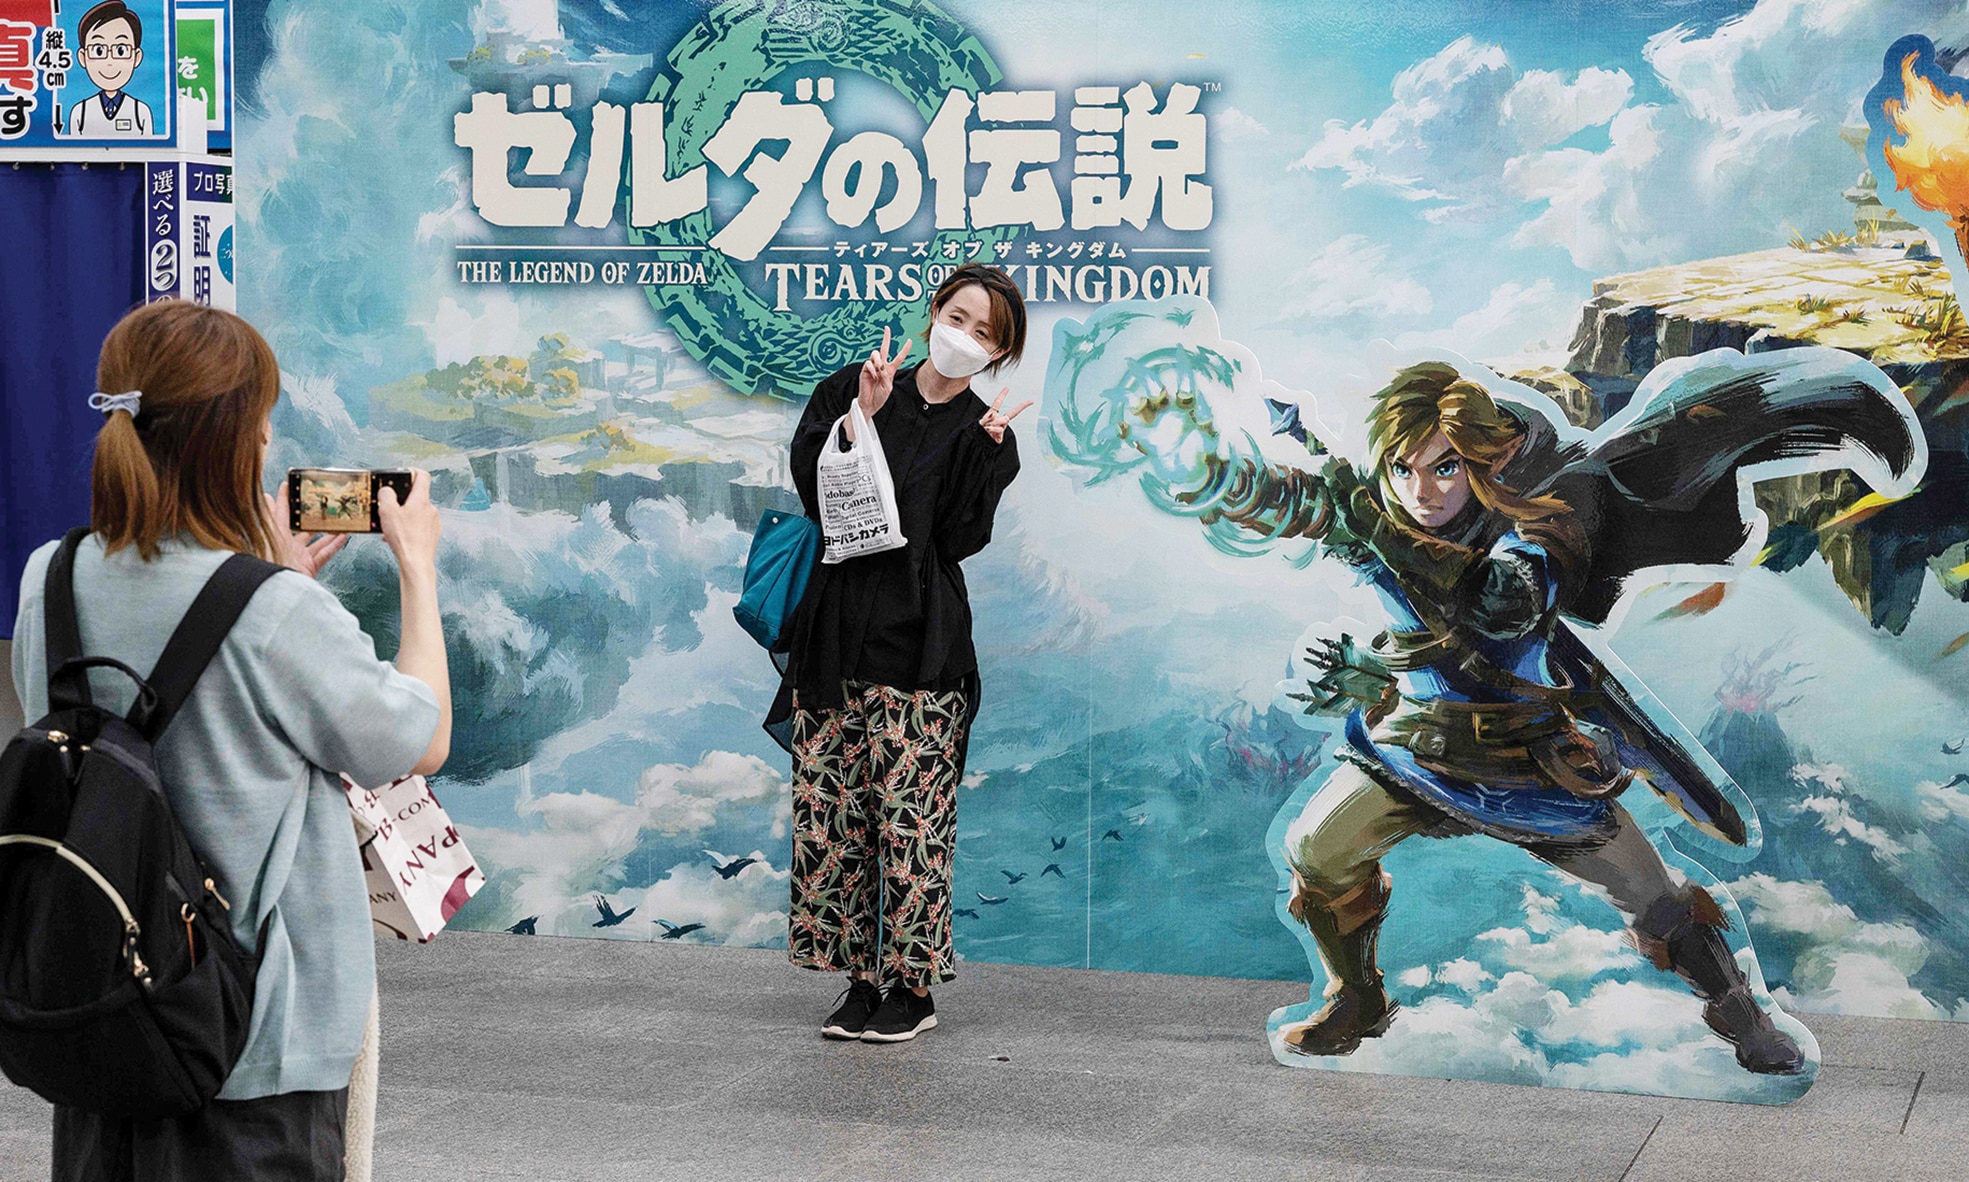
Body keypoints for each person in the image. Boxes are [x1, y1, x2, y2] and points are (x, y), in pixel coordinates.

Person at [1073, 352, 1919, 1076]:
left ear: (1482, 460)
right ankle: (1356, 1001)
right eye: (1402, 470)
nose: (1420, 490)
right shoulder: (1371, 513)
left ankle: (1743, 1017)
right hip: (1410, 749)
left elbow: (1497, 608)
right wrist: (1204, 466)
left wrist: (1371, 522)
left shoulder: (1542, 527)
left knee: (1654, 903)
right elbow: (1284, 498)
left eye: (1442, 467)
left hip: (1527, 764)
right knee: (1315, 850)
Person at [9, 301, 451, 1179]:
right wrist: (418, 568)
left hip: (100, 1006)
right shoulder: (275, 612)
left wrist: (271, 579)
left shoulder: (48, 578)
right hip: (249, 1042)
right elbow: (415, 739)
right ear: (235, 439)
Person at [770, 264, 1032, 1043]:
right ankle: (859, 980)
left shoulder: (988, 433)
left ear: (998, 353)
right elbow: (815, 492)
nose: (967, 337)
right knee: (836, 821)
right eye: (960, 317)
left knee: (911, 827)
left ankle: (912, 989)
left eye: (986, 334)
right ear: (932, 312)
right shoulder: (853, 388)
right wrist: (863, 416)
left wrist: (984, 460)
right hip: (834, 640)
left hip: (923, 650)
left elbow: (956, 541)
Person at [66, 2, 155, 139]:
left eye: (121, 50)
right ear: (82, 57)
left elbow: (152, 153)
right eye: (98, 50)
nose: (109, 62)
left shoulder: (140, 111)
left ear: (137, 57)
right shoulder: (80, 112)